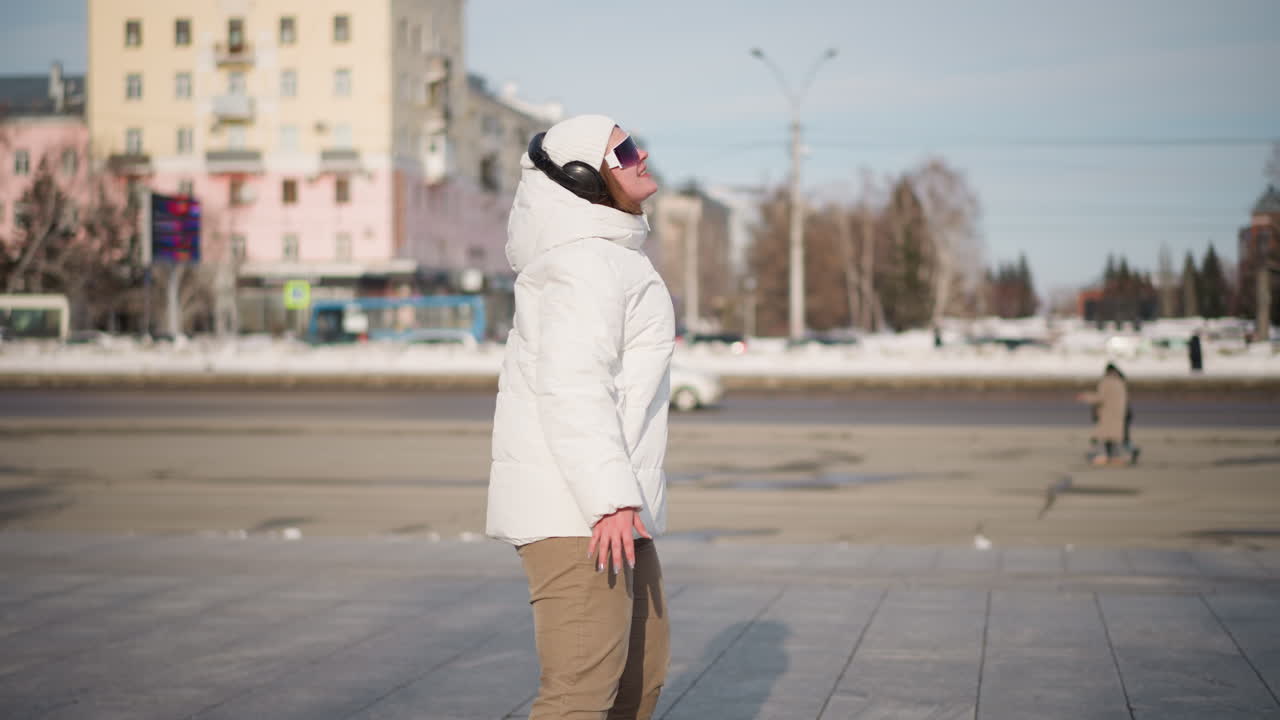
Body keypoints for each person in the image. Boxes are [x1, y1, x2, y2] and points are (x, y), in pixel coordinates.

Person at [486, 115, 673, 719]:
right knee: (580, 697)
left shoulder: (608, 258)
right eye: (621, 150)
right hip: (579, 511)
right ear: (582, 177)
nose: (640, 155)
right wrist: (609, 499)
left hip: (614, 508)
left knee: (637, 685)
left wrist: (624, 501)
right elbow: (573, 386)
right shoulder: (584, 264)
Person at [1078, 363, 1138, 466]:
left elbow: (1100, 398)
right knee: (1117, 437)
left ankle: (1107, 456)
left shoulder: (1106, 382)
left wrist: (1085, 397)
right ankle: (1121, 453)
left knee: (1106, 437)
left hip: (1108, 414)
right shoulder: (1120, 382)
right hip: (1122, 413)